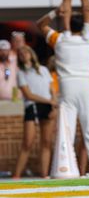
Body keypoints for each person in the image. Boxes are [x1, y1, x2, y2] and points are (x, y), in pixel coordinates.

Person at [36, 8, 89, 177]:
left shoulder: (59, 39)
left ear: (67, 24)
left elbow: (40, 24)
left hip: (67, 86)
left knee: (67, 129)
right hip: (86, 85)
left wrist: (55, 12)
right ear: (83, 27)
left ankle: (65, 166)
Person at [13, 46, 57, 179]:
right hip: (32, 106)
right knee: (28, 142)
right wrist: (48, 101)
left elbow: (52, 90)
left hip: (48, 107)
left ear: (31, 53)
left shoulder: (43, 70)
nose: (23, 55)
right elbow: (28, 94)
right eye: (20, 54)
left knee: (47, 142)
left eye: (25, 52)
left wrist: (54, 106)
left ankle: (44, 175)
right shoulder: (20, 73)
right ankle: (16, 176)